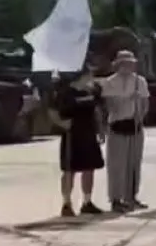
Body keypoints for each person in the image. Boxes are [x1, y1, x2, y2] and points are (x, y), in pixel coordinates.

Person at [99, 50, 149, 213]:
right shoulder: (110, 82)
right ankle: (116, 198)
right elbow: (111, 106)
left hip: (135, 126)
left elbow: (145, 103)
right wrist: (128, 99)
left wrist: (140, 116)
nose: (128, 66)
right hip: (118, 125)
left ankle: (131, 196)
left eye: (131, 63)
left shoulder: (140, 81)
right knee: (117, 165)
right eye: (125, 63)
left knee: (134, 163)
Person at [53, 68, 106, 217]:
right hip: (72, 135)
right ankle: (66, 203)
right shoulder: (65, 92)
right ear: (82, 76)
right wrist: (62, 123)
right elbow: (52, 111)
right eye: (89, 74)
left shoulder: (91, 91)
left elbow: (96, 110)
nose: (92, 77)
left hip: (88, 133)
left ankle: (87, 202)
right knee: (69, 170)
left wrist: (101, 129)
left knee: (89, 168)